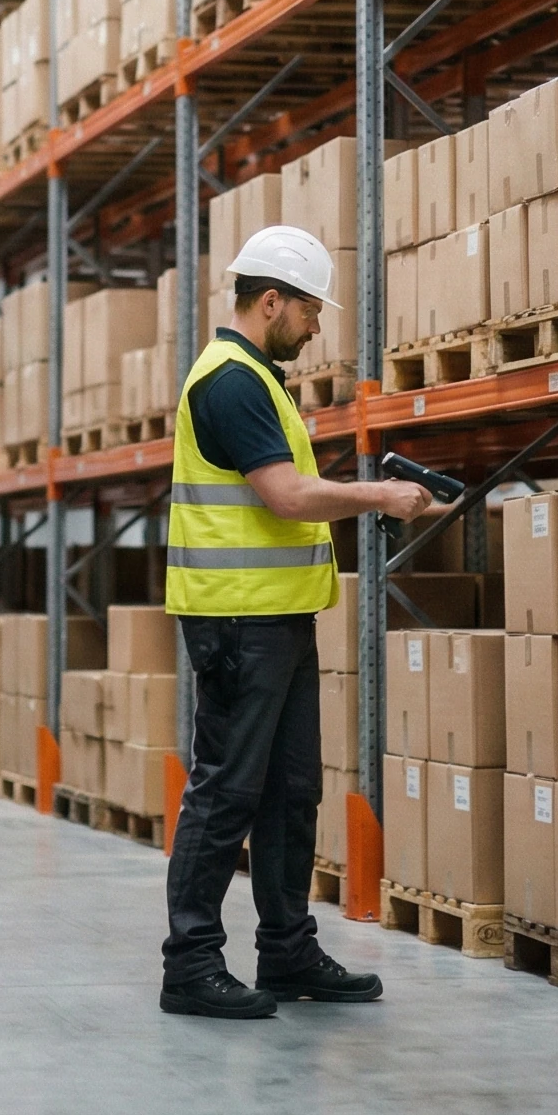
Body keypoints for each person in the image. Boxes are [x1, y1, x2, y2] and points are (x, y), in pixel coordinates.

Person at [160, 224, 437, 1019]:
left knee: (291, 792)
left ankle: (285, 952)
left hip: (276, 619)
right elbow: (284, 497)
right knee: (226, 793)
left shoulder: (260, 380)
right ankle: (190, 964)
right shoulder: (231, 381)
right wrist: (377, 496)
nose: (317, 328)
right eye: (310, 310)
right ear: (270, 300)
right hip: (239, 625)